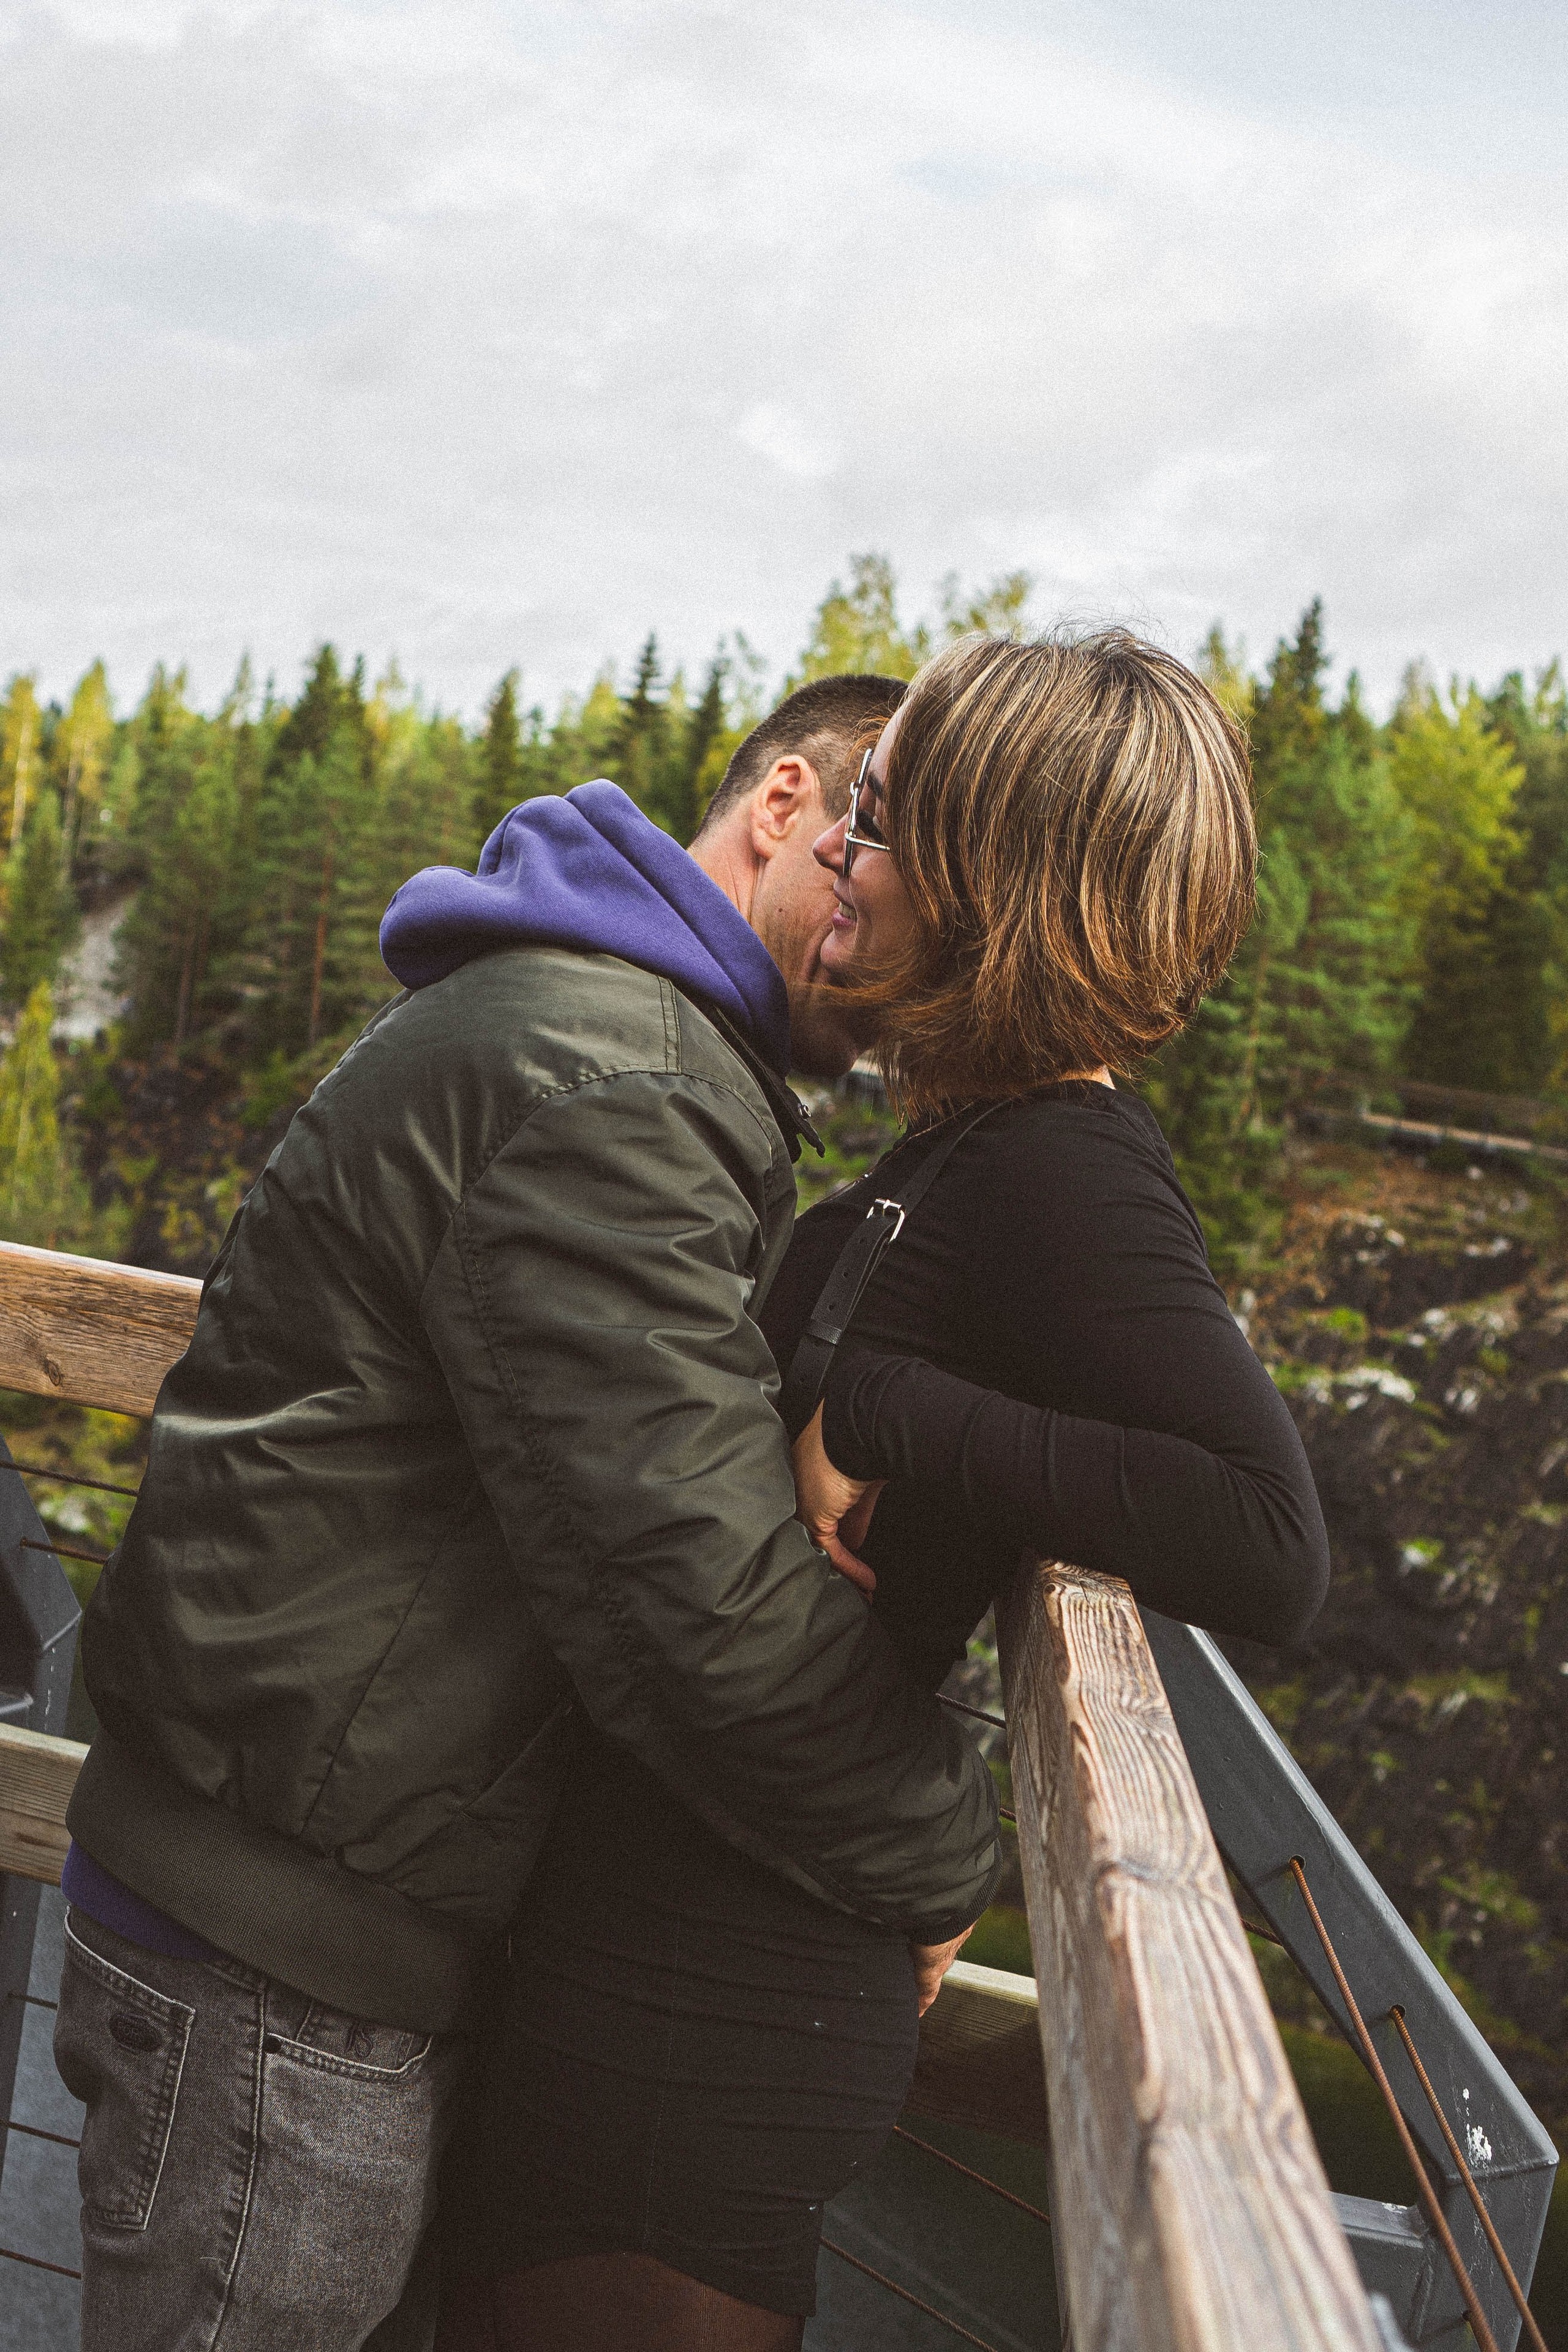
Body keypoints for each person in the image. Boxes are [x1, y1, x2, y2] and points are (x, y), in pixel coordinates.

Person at [51, 671, 1002, 2352]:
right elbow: (689, 1591)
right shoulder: (611, 1081)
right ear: (785, 803)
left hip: (312, 1901)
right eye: (873, 850)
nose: (893, 943)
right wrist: (933, 1857)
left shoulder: (613, 1036)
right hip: (285, 1950)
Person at [437, 628, 1330, 2352]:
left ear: (1004, 877)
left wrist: (888, 1403)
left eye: (896, 813)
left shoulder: (1068, 1165)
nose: (847, 844)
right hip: (654, 1937)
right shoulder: (971, 1144)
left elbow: (1262, 1532)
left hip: (713, 2007)